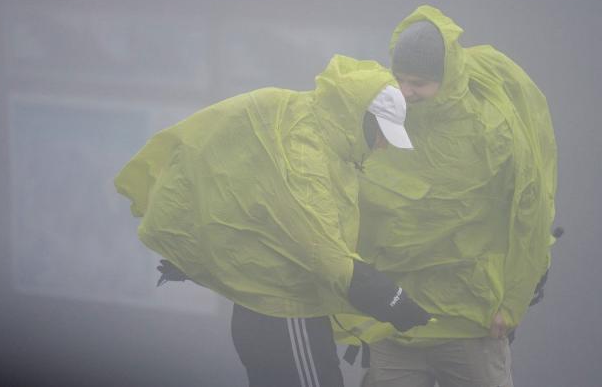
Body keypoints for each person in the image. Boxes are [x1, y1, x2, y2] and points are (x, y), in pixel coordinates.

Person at [114, 54, 431, 387]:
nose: (383, 146)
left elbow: (244, 192)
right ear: (361, 118)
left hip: (265, 311)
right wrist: (394, 301)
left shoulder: (307, 122)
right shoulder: (307, 156)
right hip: (286, 317)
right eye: (382, 134)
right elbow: (325, 255)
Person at [345, 6, 559, 387]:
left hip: (470, 323)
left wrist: (512, 304)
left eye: (419, 82)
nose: (406, 91)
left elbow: (529, 213)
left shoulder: (491, 129)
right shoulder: (381, 119)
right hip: (395, 324)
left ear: (446, 77)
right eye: (400, 78)